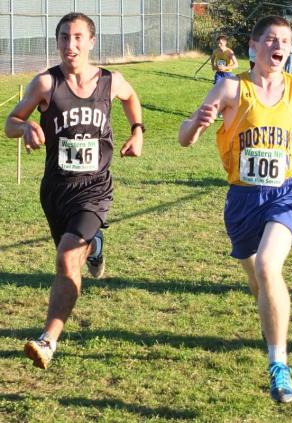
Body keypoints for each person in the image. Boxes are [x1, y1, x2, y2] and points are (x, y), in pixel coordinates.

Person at [179, 15, 292, 403]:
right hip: (242, 198)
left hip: (288, 191)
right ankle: (271, 323)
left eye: (285, 41)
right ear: (253, 47)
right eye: (270, 39)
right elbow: (185, 137)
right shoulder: (231, 88)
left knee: (270, 267)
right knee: (258, 280)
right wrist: (197, 124)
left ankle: (279, 363)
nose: (279, 46)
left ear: (290, 49)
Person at [5, 12, 144, 369]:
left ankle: (47, 340)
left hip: (95, 188)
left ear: (92, 41)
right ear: (58, 42)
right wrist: (26, 128)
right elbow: (11, 121)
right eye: (65, 37)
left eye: (79, 37)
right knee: (74, 259)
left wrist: (138, 130)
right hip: (56, 190)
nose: (72, 45)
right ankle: (95, 247)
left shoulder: (110, 81)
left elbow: (131, 98)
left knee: (67, 258)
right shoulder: (46, 84)